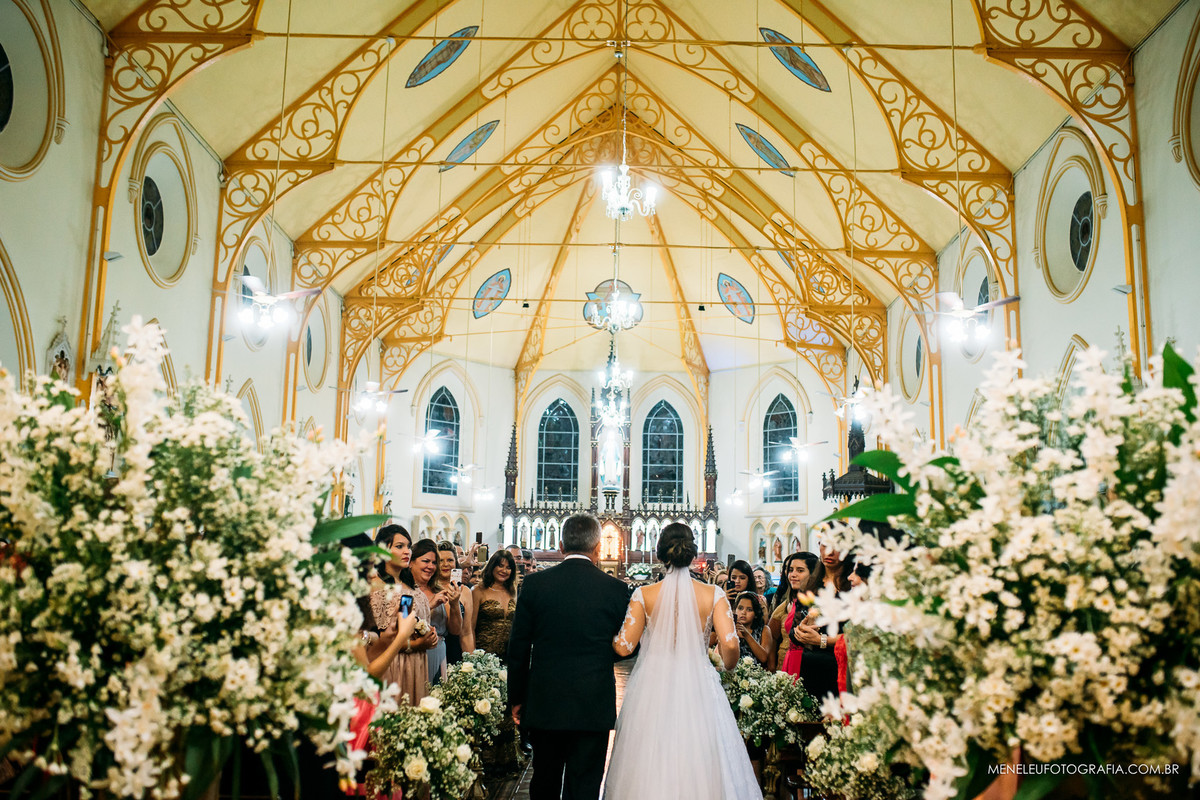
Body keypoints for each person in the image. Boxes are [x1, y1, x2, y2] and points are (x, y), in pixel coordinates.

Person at [606, 523, 761, 800]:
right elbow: (729, 642)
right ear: (693, 554)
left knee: (650, 754)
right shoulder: (714, 595)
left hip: (652, 685)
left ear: (660, 554)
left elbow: (624, 646)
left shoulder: (644, 595)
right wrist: (727, 665)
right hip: (699, 683)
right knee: (700, 750)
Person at [506, 515, 630, 800]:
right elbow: (627, 646)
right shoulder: (615, 589)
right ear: (598, 548)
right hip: (593, 702)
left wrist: (517, 698)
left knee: (545, 779)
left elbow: (519, 647)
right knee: (585, 784)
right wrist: (598, 655)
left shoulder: (535, 585)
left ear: (561, 545)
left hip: (545, 700)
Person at [365, 525, 439, 705]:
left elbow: (407, 621)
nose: (407, 551)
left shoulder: (409, 585)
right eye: (399, 546)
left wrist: (428, 634)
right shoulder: (375, 586)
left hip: (417, 663)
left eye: (408, 546)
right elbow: (379, 639)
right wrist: (415, 644)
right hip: (393, 664)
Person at [464, 549, 521, 772]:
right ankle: (484, 761)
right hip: (485, 655)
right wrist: (474, 658)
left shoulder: (515, 592)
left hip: (508, 657)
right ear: (492, 567)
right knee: (486, 707)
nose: (504, 570)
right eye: (500, 565)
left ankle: (504, 760)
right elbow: (470, 627)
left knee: (505, 708)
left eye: (508, 567)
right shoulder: (478, 591)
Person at [412, 539, 461, 686]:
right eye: (426, 561)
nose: (431, 567)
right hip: (415, 652)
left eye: (434, 563)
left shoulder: (439, 590)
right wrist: (430, 605)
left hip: (439, 653)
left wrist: (454, 605)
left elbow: (455, 629)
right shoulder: (406, 591)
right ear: (411, 563)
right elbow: (403, 624)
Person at [769, 552, 821, 672]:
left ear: (813, 574)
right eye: (791, 570)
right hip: (790, 658)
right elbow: (771, 633)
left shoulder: (819, 602)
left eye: (800, 570)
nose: (792, 575)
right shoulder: (794, 602)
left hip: (809, 662)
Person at [436, 541, 466, 667]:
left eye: (450, 560)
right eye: (441, 560)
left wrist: (471, 661)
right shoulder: (428, 589)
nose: (445, 564)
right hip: (434, 649)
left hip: (456, 650)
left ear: (455, 563)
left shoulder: (466, 591)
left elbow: (468, 632)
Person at [733, 591, 771, 667]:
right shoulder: (730, 628)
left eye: (749, 610)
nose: (743, 612)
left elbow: (763, 658)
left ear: (756, 614)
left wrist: (747, 635)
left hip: (755, 674)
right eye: (740, 608)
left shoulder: (764, 630)